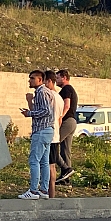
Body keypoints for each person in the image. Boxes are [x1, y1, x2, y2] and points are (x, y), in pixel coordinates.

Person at [19, 70, 54, 200]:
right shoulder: (47, 92)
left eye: (32, 78)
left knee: (34, 160)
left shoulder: (41, 92)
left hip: (41, 130)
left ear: (40, 80)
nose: (30, 80)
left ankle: (33, 191)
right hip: (48, 130)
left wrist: (29, 113)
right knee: (44, 162)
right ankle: (44, 190)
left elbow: (46, 111)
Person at [55, 69, 78, 184]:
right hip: (72, 122)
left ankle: (66, 169)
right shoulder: (70, 89)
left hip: (67, 121)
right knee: (65, 151)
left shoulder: (66, 89)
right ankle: (66, 179)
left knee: (52, 145)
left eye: (58, 78)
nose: (56, 80)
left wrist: (60, 117)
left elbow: (67, 105)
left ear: (64, 77)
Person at [44, 70, 64, 198]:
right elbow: (60, 119)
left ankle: (48, 192)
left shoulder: (49, 96)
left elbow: (42, 114)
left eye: (44, 81)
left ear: (49, 81)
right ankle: (51, 193)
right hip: (55, 135)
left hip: (48, 135)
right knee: (52, 166)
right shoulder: (59, 98)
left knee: (48, 165)